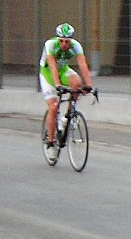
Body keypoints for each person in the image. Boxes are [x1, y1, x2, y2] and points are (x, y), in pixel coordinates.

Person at [39, 22, 94, 161]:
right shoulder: (50, 45)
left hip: (63, 70)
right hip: (48, 75)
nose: (64, 44)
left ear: (71, 40)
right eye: (61, 41)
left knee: (76, 82)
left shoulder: (76, 45)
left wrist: (89, 85)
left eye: (67, 41)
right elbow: (52, 66)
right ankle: (50, 143)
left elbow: (82, 64)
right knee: (53, 107)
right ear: (58, 39)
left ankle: (67, 117)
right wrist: (57, 85)